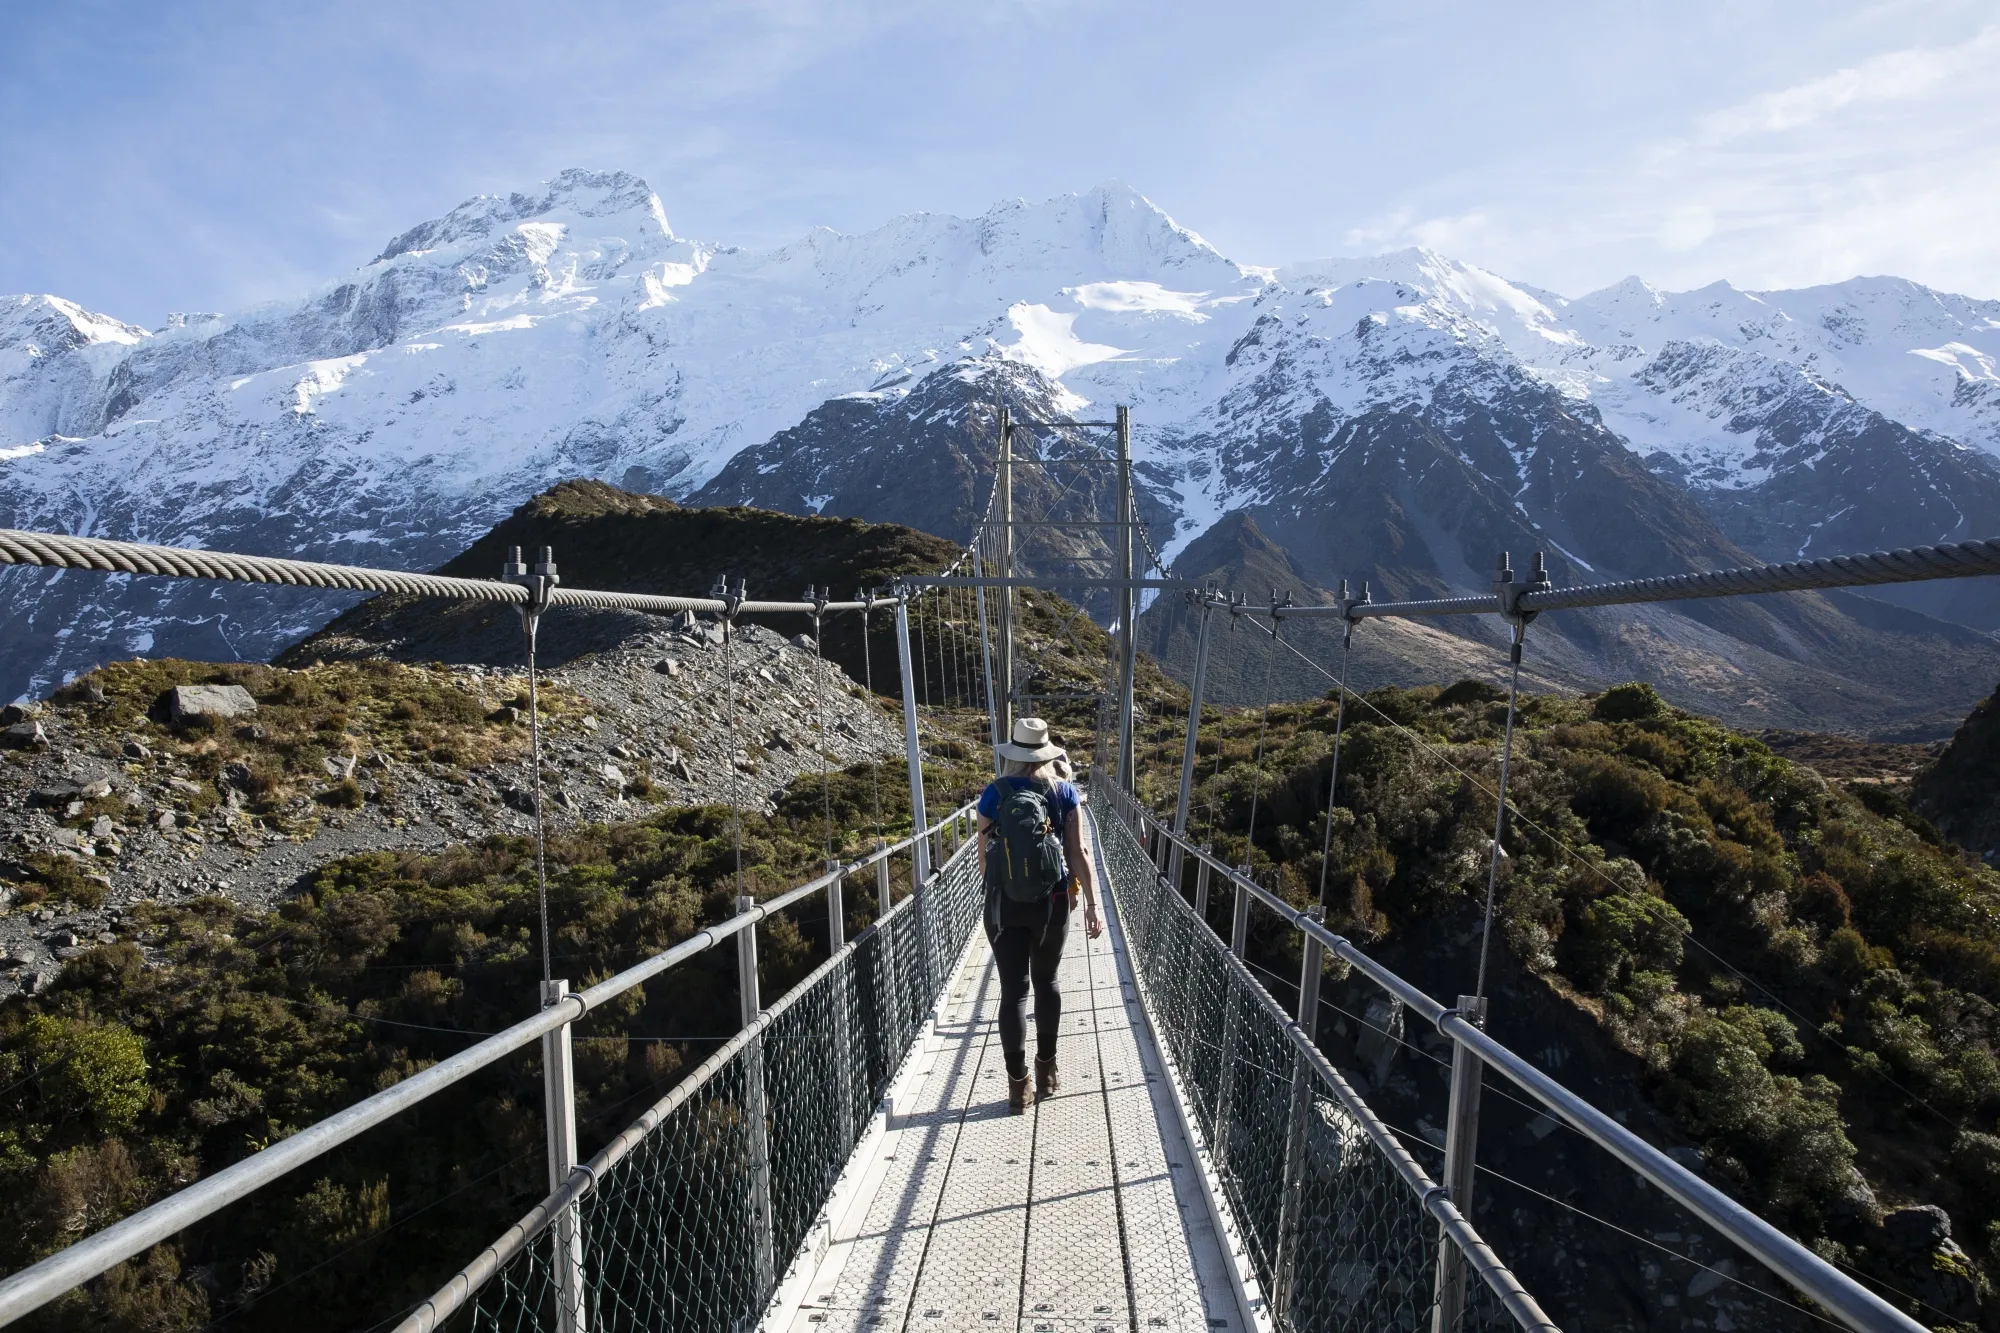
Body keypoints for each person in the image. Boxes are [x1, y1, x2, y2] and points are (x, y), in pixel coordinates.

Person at [977, 717, 1102, 1111]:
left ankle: (1018, 1087)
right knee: (1047, 982)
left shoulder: (993, 794)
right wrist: (1094, 904)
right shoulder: (1064, 793)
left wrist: (1009, 887)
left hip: (1004, 905)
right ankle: (1047, 1071)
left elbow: (984, 863)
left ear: (1012, 753)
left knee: (1014, 992)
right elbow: (1077, 852)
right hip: (1053, 902)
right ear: (1048, 752)